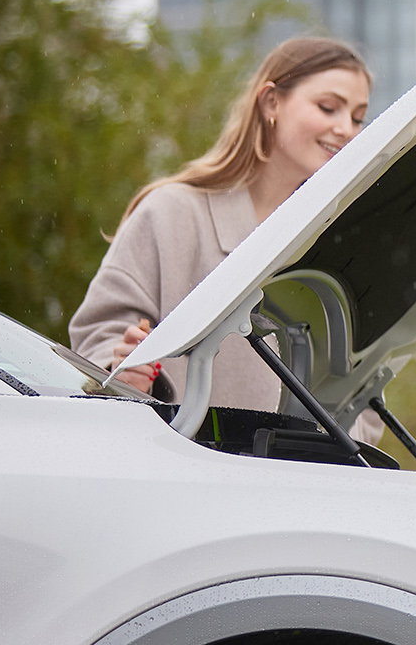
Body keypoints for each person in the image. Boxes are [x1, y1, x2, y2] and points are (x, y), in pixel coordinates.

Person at [71, 37, 372, 417]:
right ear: (271, 102)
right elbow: (99, 337)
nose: (346, 128)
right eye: (328, 107)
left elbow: (364, 386)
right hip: (177, 466)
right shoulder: (170, 214)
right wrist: (126, 375)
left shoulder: (341, 244)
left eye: (359, 117)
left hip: (300, 475)